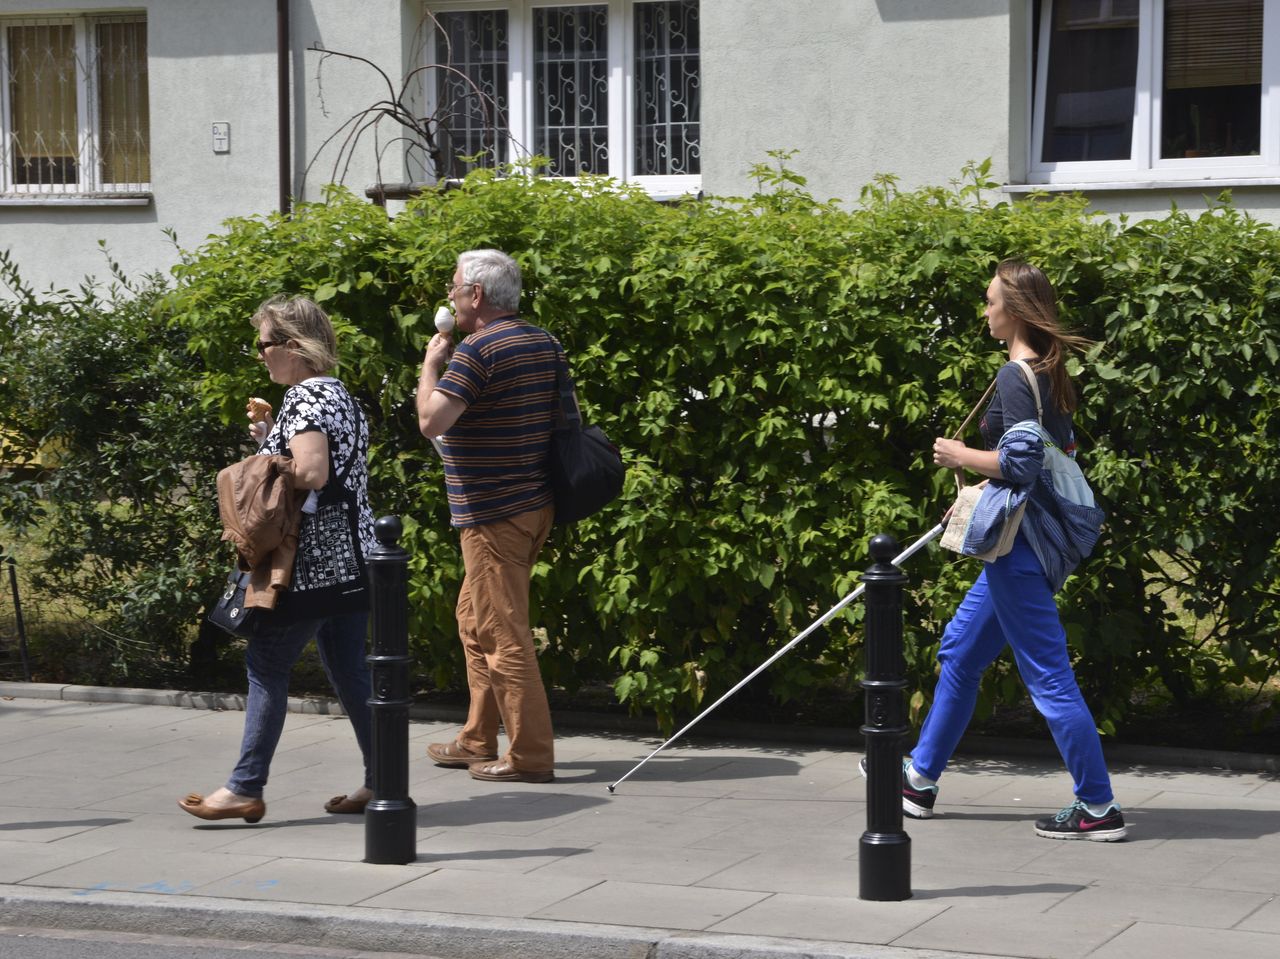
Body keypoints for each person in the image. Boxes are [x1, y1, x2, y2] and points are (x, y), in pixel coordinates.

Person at [910, 259, 1125, 841]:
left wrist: (961, 458)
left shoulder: (1016, 375)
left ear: (1015, 309)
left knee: (1049, 677)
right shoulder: (1053, 373)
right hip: (1025, 544)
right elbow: (1047, 458)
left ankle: (1098, 807)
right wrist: (985, 480)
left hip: (1019, 549)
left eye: (990, 301)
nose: (986, 312)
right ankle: (919, 779)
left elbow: (1022, 464)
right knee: (960, 650)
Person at [179, 296, 376, 822]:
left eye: (265, 345)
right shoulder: (338, 396)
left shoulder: (308, 397)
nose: (260, 354)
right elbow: (326, 468)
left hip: (313, 560)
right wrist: (272, 442)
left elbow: (311, 473)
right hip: (352, 554)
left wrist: (265, 465)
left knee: (265, 662)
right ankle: (382, 780)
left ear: (295, 347)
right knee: (350, 670)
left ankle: (245, 786)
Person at [416, 249, 561, 784]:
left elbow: (432, 421)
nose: (450, 296)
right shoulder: (542, 341)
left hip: (493, 513)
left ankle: (529, 757)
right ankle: (478, 737)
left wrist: (432, 363)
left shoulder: (477, 349)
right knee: (473, 620)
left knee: (503, 635)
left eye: (454, 287)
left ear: (476, 296)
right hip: (533, 505)